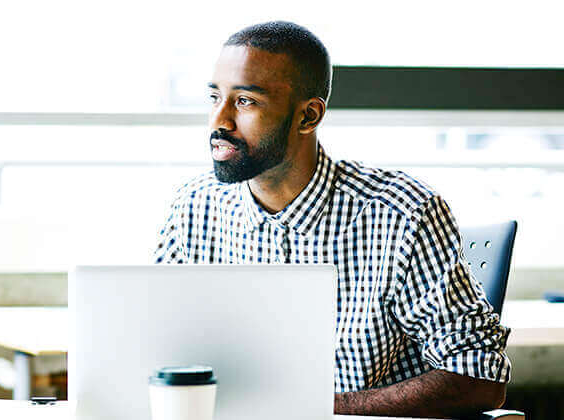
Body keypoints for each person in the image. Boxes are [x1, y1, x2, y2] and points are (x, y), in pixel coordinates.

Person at [153, 21, 510, 418]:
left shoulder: (403, 215)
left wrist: (319, 409)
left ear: (308, 116)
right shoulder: (193, 207)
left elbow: (480, 377)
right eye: (214, 97)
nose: (218, 120)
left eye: (245, 102)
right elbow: (161, 346)